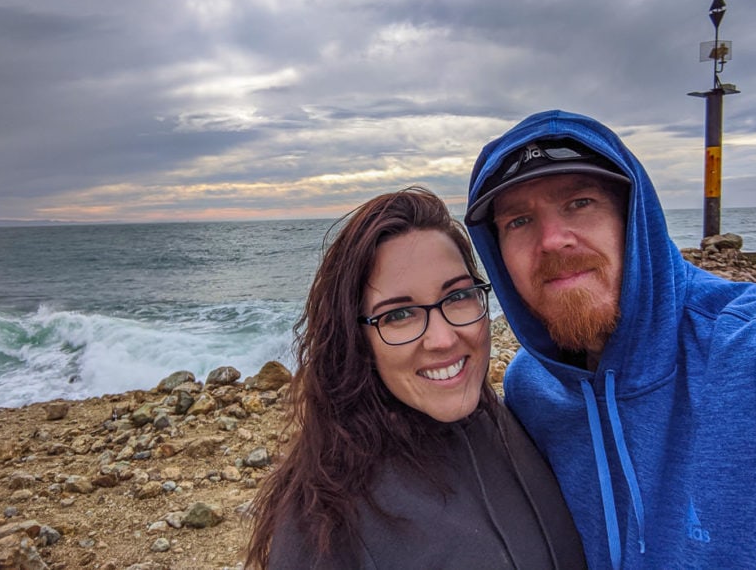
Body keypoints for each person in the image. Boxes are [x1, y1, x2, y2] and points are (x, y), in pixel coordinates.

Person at [464, 108, 756, 569]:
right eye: (518, 221)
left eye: (579, 203)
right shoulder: (532, 390)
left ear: (634, 220)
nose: (552, 240)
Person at [245, 186, 585, 569]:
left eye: (457, 297)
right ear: (357, 340)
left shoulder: (522, 423)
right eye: (398, 315)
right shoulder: (326, 521)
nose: (442, 340)